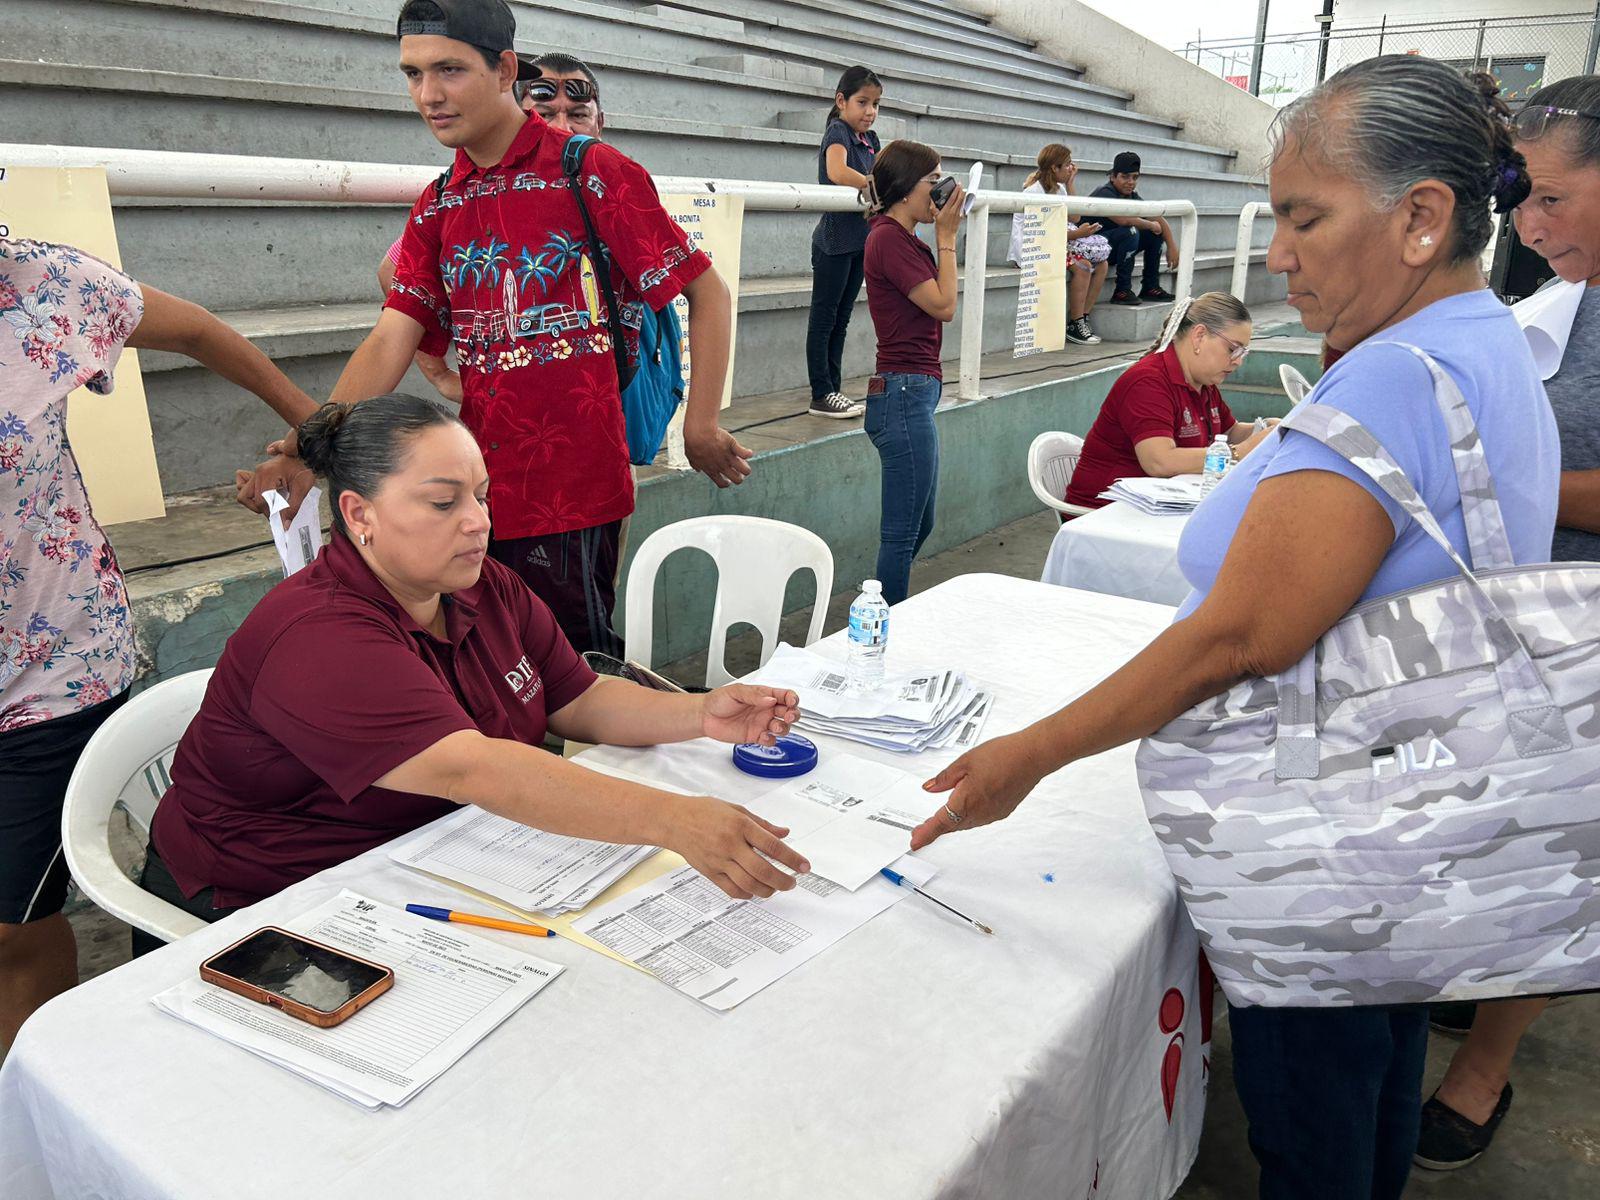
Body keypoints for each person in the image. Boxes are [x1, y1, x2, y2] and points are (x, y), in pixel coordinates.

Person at [908, 57, 1553, 1200]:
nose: (1277, 253)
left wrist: (1028, 755)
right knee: (1371, 1079)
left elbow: (1237, 638)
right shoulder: (1488, 341)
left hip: (1331, 842)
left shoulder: (1397, 378)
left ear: (1420, 218)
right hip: (1419, 812)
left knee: (1311, 1120)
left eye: (1305, 217)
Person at [140, 395, 809, 950]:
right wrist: (674, 820)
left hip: (421, 855)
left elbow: (578, 696)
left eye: (483, 497)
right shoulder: (320, 635)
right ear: (359, 515)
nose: (479, 523)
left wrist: (699, 712)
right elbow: (475, 768)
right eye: (443, 503)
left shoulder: (483, 586)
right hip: (265, 901)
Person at [246, 0, 743, 658]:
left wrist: (700, 422)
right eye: (413, 74)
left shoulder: (588, 171)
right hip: (471, 496)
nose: (428, 95)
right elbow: (392, 335)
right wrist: (304, 448)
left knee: (577, 678)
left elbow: (706, 291)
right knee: (492, 678)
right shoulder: (441, 201)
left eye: (449, 70)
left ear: (504, 67)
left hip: (572, 494)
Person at [0, 235, 318, 1052]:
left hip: (48, 672)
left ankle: (30, 1107)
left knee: (9, 928)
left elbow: (198, 332)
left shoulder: (43, 282)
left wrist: (315, 432)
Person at [1408, 71, 1600, 1173]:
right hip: (1519, 614)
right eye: (1518, 200)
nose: (1530, 225)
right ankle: (1476, 989)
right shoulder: (1554, 296)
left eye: (1553, 200)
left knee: (1555, 856)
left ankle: (1485, 1067)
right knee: (1486, 829)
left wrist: (1488, 474)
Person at [372, 52, 554, 406]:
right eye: (546, 114)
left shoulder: (599, 180)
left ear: (600, 120)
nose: (560, 125)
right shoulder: (450, 198)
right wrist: (439, 373)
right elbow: (394, 275)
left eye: (577, 113)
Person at [862, 140, 963, 606]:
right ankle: (882, 629)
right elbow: (944, 305)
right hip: (902, 393)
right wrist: (947, 238)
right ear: (905, 189)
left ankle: (880, 610)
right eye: (933, 180)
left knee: (920, 524)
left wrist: (941, 239)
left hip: (913, 392)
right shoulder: (886, 237)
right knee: (901, 534)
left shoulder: (906, 240)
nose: (941, 191)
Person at [1064, 292, 1273, 511]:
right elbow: (1160, 461)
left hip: (1157, 506)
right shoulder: (1147, 381)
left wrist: (1266, 429)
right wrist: (1239, 453)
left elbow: (1229, 432)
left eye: (1243, 352)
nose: (1238, 361)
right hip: (1104, 513)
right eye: (1233, 349)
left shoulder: (1203, 382)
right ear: (1199, 336)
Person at [805, 66, 882, 420]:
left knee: (842, 318)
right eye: (863, 102)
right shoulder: (837, 131)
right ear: (841, 101)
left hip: (859, 242)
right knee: (824, 318)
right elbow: (837, 172)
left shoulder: (872, 140)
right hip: (834, 241)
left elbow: (880, 177)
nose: (870, 111)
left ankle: (833, 388)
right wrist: (872, 185)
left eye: (876, 104)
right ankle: (820, 392)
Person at [1007, 143, 1112, 345]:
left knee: (1102, 264)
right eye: (1067, 165)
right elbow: (1042, 234)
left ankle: (1082, 317)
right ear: (1054, 168)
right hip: (1033, 248)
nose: (1071, 168)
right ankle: (1075, 321)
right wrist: (1078, 234)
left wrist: (1071, 183)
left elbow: (1075, 215)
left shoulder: (1060, 188)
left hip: (1054, 243)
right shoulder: (1033, 192)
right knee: (1083, 267)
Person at [1094, 151, 1179, 307]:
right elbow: (1123, 219)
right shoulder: (1104, 193)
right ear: (1113, 177)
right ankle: (1122, 290)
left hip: (1114, 248)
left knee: (1153, 234)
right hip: (1093, 249)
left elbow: (1157, 216)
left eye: (1135, 177)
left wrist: (1172, 246)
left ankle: (1150, 286)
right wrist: (1151, 225)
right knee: (1131, 231)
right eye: (1125, 177)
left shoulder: (1131, 196)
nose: (1131, 182)